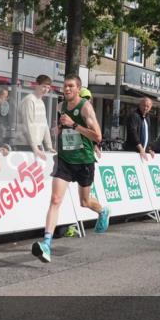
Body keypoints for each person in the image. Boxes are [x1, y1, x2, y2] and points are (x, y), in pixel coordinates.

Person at [32, 75, 110, 263]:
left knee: (84, 202)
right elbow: (61, 126)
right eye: (65, 86)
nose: (66, 89)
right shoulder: (60, 107)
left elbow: (98, 136)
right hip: (65, 160)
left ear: (78, 89)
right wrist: (59, 129)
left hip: (84, 161)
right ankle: (46, 244)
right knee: (55, 199)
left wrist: (74, 125)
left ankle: (102, 211)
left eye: (71, 86)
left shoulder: (85, 107)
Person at [19, 75, 54, 159]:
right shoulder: (29, 100)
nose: (46, 90)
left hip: (36, 145)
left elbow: (45, 125)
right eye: (44, 86)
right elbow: (28, 124)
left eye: (48, 87)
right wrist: (34, 147)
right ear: (36, 85)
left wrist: (49, 146)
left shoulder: (41, 102)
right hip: (25, 145)